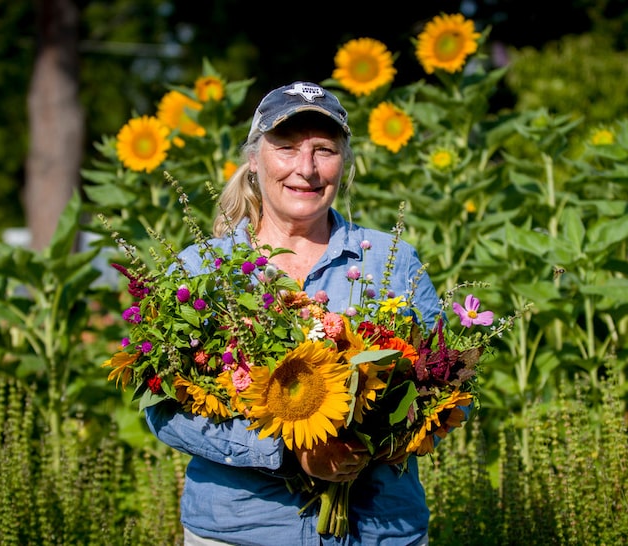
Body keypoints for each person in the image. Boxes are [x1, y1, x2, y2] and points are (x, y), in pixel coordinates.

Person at [145, 81, 442, 546]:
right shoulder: (202, 272)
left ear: (344, 163)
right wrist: (288, 450)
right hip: (242, 531)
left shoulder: (391, 262)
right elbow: (163, 409)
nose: (306, 168)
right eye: (285, 147)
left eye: (324, 150)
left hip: (381, 530)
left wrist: (367, 443)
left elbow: (440, 391)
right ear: (254, 158)